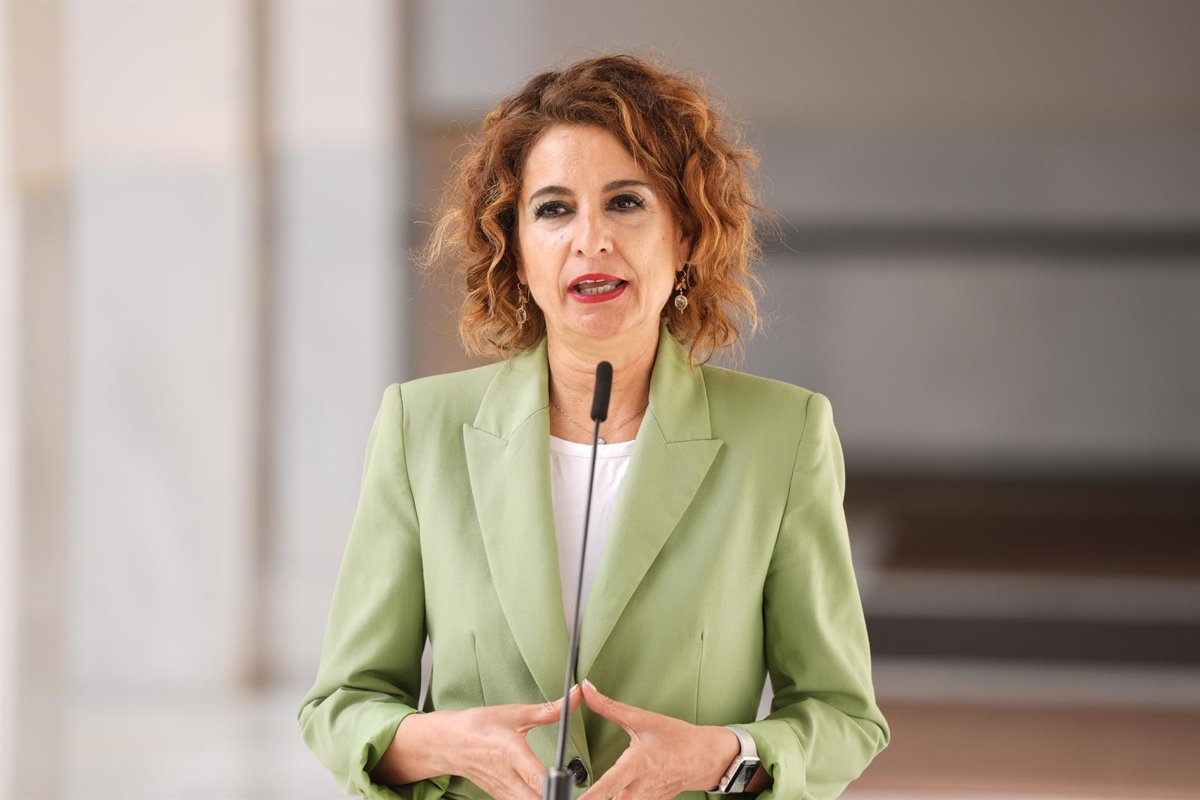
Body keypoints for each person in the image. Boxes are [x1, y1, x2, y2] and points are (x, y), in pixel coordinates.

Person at [297, 54, 889, 800]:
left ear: (687, 234)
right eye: (553, 209)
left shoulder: (783, 434)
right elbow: (342, 706)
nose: (591, 239)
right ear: (514, 249)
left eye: (626, 202)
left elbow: (842, 718)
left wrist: (721, 757)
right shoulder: (421, 429)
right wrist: (447, 743)